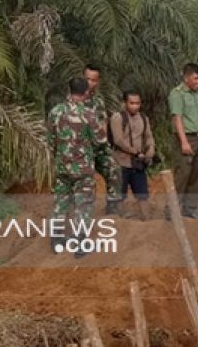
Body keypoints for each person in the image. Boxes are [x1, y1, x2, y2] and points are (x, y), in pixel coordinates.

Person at [48, 76, 109, 255]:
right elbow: (101, 140)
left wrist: (60, 155)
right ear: (86, 93)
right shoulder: (88, 114)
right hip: (82, 168)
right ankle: (80, 243)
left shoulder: (55, 112)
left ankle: (56, 240)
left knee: (61, 201)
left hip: (62, 166)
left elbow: (50, 139)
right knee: (83, 204)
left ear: (69, 90)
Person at [168, 63, 198, 220]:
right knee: (182, 174)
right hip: (186, 138)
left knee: (197, 175)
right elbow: (177, 118)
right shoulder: (177, 94)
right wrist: (184, 142)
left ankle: (190, 208)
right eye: (196, 78)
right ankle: (172, 210)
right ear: (186, 77)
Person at [83, 63, 124, 216]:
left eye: (93, 80)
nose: (90, 83)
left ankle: (113, 210)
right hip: (81, 150)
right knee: (86, 181)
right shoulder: (73, 99)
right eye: (87, 79)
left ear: (98, 81)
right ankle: (84, 215)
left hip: (98, 147)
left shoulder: (98, 101)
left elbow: (103, 123)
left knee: (114, 168)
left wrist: (104, 144)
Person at [108, 89, 156, 220]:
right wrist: (136, 152)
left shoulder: (143, 118)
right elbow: (118, 140)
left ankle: (146, 218)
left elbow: (148, 137)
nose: (135, 106)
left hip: (138, 163)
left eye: (138, 103)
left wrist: (151, 150)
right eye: (132, 103)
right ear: (125, 103)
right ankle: (121, 219)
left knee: (142, 193)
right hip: (121, 161)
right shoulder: (117, 118)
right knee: (120, 194)